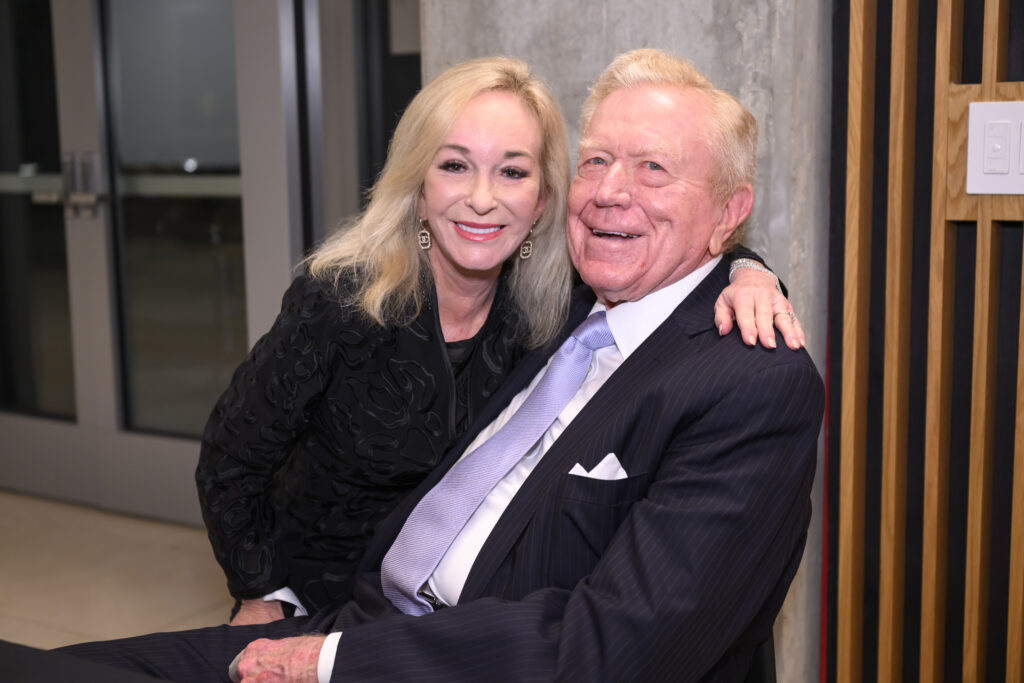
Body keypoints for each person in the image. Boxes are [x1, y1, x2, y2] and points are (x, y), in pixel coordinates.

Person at [60, 49, 823, 682]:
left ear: (542, 199)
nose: (482, 200)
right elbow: (234, 456)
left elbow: (681, 267)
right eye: (456, 167)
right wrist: (265, 594)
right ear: (418, 184)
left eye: (652, 166)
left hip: (420, 648)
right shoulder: (348, 299)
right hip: (324, 599)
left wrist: (750, 272)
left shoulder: (551, 305)